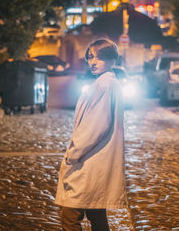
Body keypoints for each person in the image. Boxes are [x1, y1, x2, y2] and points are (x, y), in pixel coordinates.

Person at [55, 38, 126, 230]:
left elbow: (95, 125)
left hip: (88, 161)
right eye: (90, 57)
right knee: (97, 215)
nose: (93, 62)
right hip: (95, 160)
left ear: (112, 60)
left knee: (70, 215)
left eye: (99, 58)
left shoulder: (104, 86)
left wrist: (73, 153)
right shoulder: (106, 84)